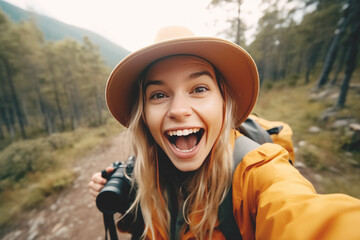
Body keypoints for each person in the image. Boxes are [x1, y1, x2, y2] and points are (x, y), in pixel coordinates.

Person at [88, 26, 360, 240]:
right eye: (158, 94)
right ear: (144, 115)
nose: (179, 110)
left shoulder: (258, 173)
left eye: (199, 89)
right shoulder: (148, 169)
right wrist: (127, 199)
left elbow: (303, 216)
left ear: (223, 101)